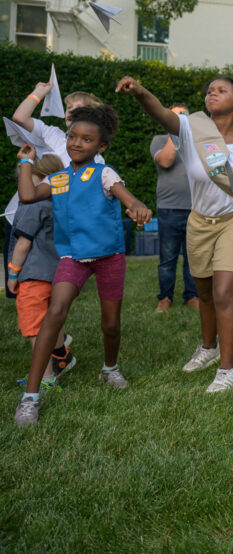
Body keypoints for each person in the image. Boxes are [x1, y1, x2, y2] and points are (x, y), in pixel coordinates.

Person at [117, 75, 233, 393]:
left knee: (224, 294)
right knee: (203, 294)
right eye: (210, 90)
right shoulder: (191, 128)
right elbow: (159, 112)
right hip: (198, 221)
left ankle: (228, 370)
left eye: (221, 90)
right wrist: (141, 91)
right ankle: (209, 348)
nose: (212, 93)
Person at [13, 104, 152, 426]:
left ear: (100, 147)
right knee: (55, 312)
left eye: (86, 140)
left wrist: (138, 207)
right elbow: (28, 196)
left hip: (109, 257)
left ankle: (110, 369)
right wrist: (25, 162)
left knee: (111, 324)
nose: (76, 143)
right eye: (73, 137)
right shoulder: (58, 178)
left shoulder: (104, 173)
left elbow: (128, 199)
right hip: (72, 257)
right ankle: (30, 397)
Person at [6, 82, 105, 295]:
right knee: (22, 284)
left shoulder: (96, 159)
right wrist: (38, 93)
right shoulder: (55, 135)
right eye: (68, 108)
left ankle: (51, 329)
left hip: (55, 227)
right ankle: (35, 327)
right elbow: (19, 118)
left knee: (50, 284)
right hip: (24, 216)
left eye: (77, 108)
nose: (70, 112)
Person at [7, 154, 74, 388]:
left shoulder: (31, 204)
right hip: (60, 275)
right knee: (52, 321)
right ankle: (60, 360)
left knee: (35, 328)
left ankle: (45, 377)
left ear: (39, 179)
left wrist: (13, 274)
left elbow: (23, 245)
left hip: (34, 276)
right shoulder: (64, 204)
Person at [151, 103, 199, 312]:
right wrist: (176, 130)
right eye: (175, 115)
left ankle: (192, 295)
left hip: (196, 208)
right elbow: (166, 160)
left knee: (194, 257)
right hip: (169, 208)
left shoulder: (196, 142)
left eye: (183, 116)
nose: (179, 119)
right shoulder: (159, 140)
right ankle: (165, 297)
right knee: (167, 258)